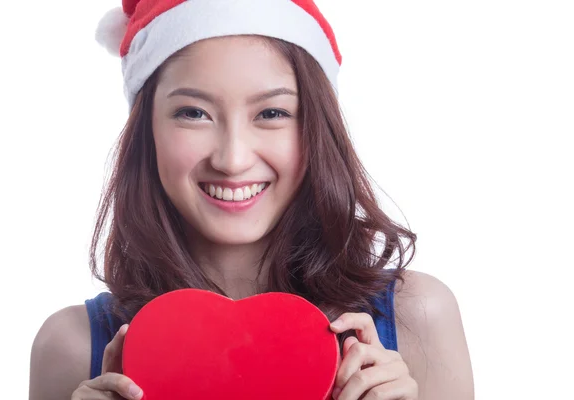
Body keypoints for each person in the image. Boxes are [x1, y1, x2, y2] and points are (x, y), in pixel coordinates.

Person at [29, 1, 474, 399]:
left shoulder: (418, 317)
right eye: (193, 113)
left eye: (272, 113)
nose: (233, 159)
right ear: (147, 131)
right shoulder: (71, 348)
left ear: (317, 129)